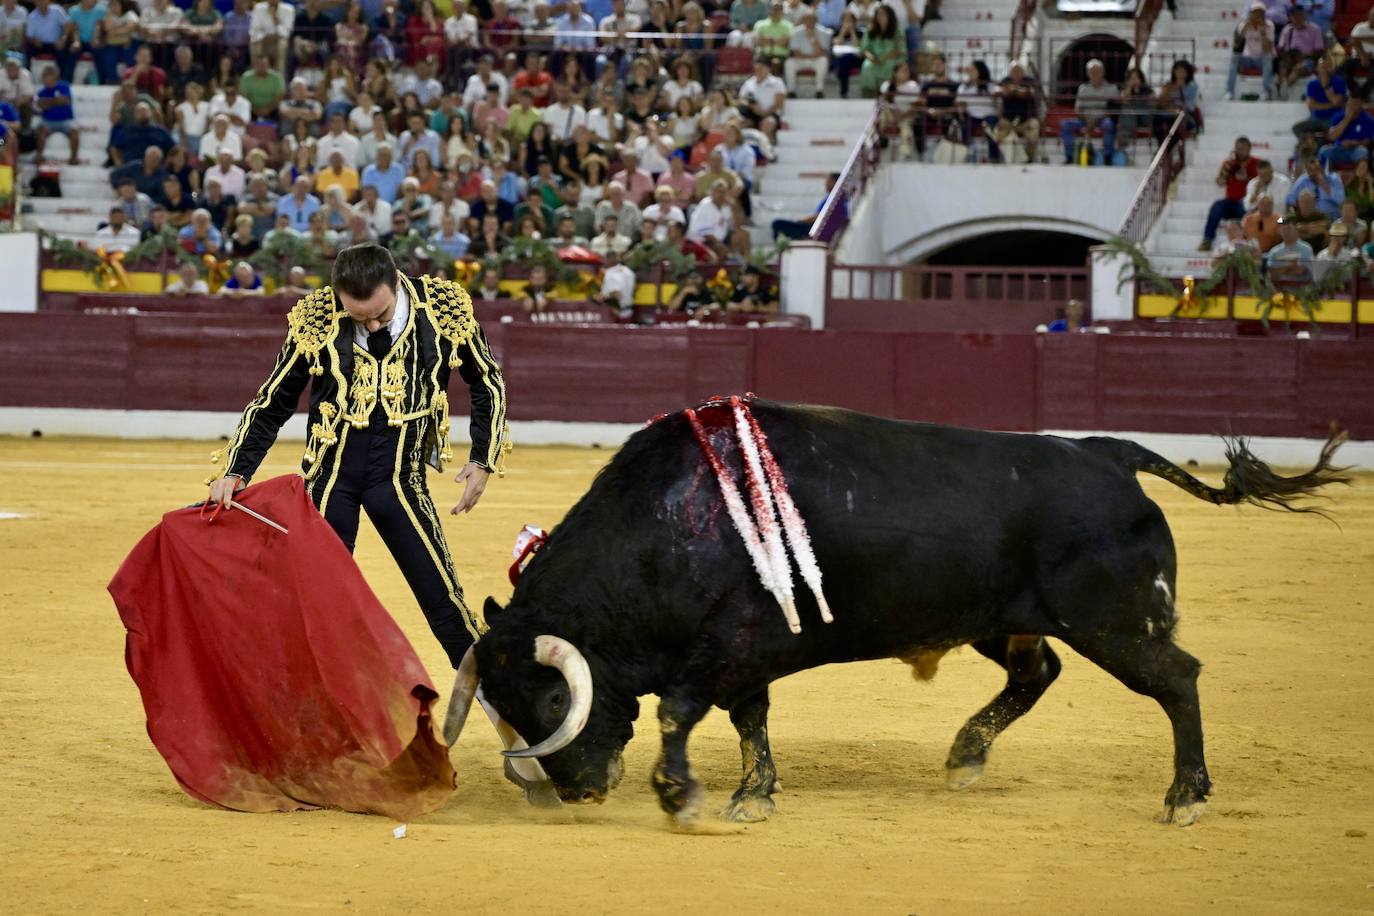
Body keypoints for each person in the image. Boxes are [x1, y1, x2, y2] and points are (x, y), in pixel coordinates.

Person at [207, 244, 508, 668]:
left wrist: (483, 457)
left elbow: (487, 382)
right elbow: (273, 401)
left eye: (380, 314)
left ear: (397, 282)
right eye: (357, 316)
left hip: (400, 480)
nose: (369, 323)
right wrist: (237, 469)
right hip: (330, 480)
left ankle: (506, 712)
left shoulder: (440, 309)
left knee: (442, 600)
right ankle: (311, 721)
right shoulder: (318, 318)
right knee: (316, 605)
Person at [1199, 136, 1259, 251]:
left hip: (1246, 202)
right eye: (1238, 148)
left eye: (1243, 149)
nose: (1240, 152)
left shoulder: (1256, 163)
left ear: (1249, 149)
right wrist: (1226, 173)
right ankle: (1207, 240)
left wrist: (1245, 179)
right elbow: (1219, 182)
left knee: (1244, 207)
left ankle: (1246, 241)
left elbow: (1260, 184)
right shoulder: (1229, 162)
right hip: (1230, 202)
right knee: (1216, 206)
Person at [1059, 59, 1117, 165]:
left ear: (1103, 72)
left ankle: (1108, 157)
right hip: (1085, 120)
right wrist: (1088, 120)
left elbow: (1114, 110)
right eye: (1092, 72)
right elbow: (1078, 109)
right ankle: (1070, 156)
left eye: (1097, 71)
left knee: (1109, 124)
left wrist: (1096, 120)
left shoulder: (1112, 88)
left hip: (1102, 119)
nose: (1094, 74)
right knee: (1065, 124)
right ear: (1088, 74)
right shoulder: (1083, 88)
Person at [1227, 1, 1276, 100]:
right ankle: (1229, 92)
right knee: (1234, 58)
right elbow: (1236, 47)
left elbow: (1268, 49)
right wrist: (1245, 28)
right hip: (1247, 58)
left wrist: (1262, 33)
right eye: (1255, 13)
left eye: (1260, 13)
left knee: (1267, 58)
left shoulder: (1269, 26)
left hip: (1262, 59)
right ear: (1251, 14)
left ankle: (1266, 91)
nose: (1258, 15)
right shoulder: (1243, 25)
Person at [34, 65, 78, 165]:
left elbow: (65, 100)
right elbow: (40, 105)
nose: (45, 79)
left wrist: (48, 102)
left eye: (48, 76)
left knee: (74, 132)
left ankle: (74, 159)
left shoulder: (64, 86)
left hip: (66, 120)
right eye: (44, 76)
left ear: (55, 77)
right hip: (48, 121)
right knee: (41, 131)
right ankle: (39, 156)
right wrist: (55, 101)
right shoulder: (41, 91)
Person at [1317, 96, 1374, 169]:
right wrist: (1347, 118)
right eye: (1350, 104)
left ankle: (1360, 178)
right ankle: (1326, 177)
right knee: (1324, 151)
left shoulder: (1368, 120)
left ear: (1361, 105)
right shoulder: (1338, 116)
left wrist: (1353, 144)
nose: (1352, 107)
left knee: (1363, 151)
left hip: (1356, 150)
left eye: (1355, 104)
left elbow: (1367, 141)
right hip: (1339, 149)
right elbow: (1332, 137)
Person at [590, 247, 637, 318]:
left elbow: (617, 294)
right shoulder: (628, 271)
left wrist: (599, 297)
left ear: (609, 259)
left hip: (615, 314)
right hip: (628, 312)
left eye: (605, 258)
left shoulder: (611, 272)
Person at [1265, 216, 1314, 281]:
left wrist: (1280, 270)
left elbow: (1300, 271)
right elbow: (1271, 274)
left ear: (1295, 229)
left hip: (1300, 286)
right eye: (1283, 229)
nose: (1285, 232)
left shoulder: (1306, 248)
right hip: (1279, 287)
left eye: (1288, 228)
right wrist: (1291, 266)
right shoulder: (1274, 251)